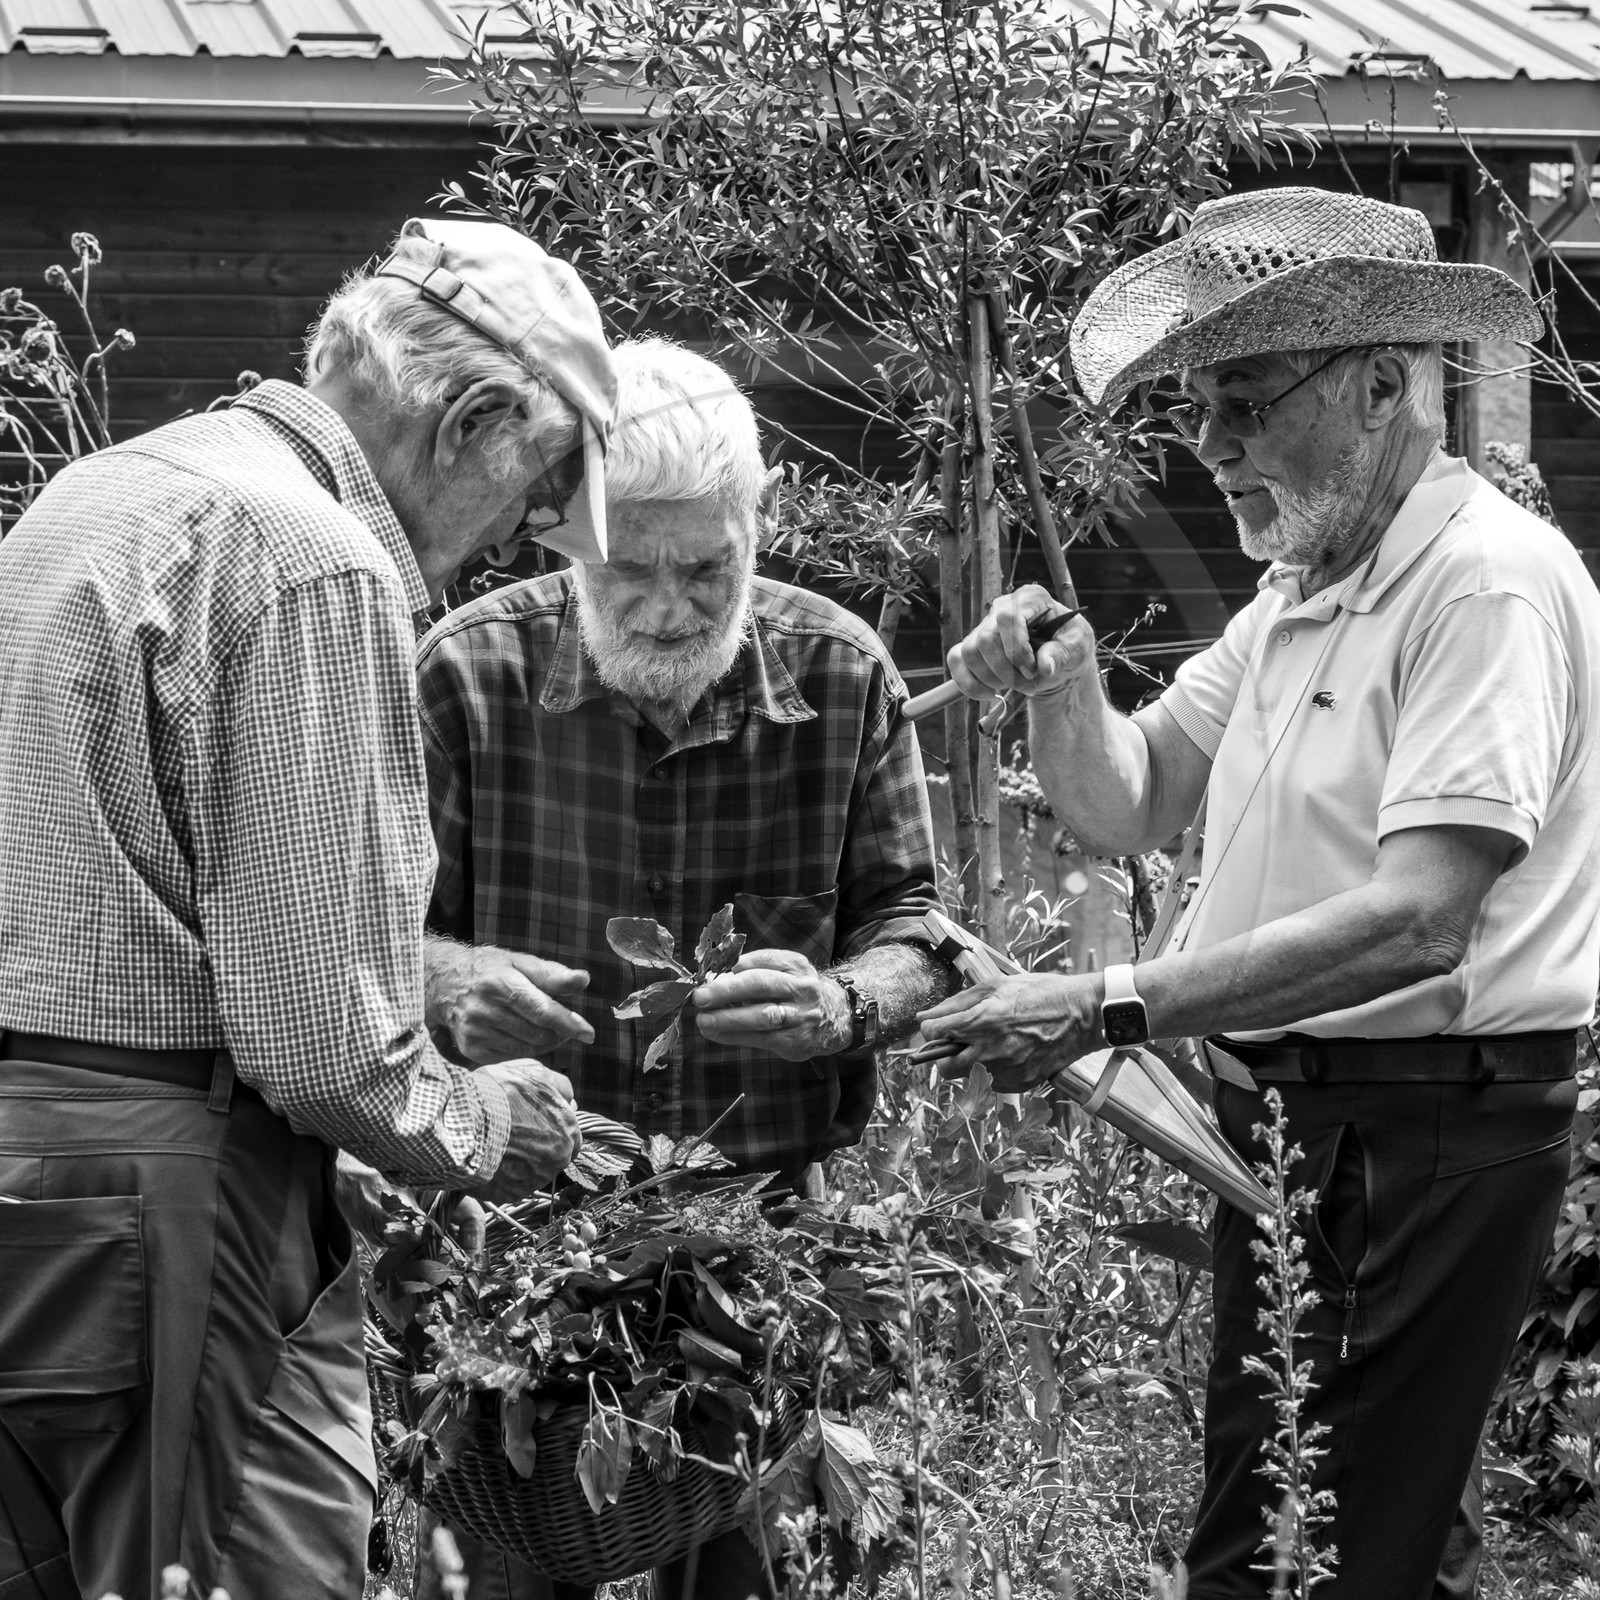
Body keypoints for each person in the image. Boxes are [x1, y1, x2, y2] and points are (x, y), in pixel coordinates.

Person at [923, 187, 1600, 1600]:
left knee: (1285, 1555)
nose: (1212, 445)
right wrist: (1063, 680)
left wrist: (1105, 1002)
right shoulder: (1301, 590)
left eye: (1245, 399)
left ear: (1380, 386)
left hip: (1420, 1133)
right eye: (1196, 408)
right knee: (1366, 1532)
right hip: (1313, 1128)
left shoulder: (1479, 586)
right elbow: (1133, 796)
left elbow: (1424, 917)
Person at [0, 217, 614, 1600]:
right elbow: (322, 1046)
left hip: (28, 1163)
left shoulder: (100, 493)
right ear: (471, 421)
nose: (518, 538)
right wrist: (487, 1123)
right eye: (539, 491)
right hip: (179, 1186)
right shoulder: (314, 558)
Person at [411, 337, 957, 1600]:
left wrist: (841, 1004)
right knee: (507, 1578)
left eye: (706, 568)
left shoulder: (840, 675)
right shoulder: (466, 675)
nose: (665, 608)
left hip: (753, 1242)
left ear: (755, 527)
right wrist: (447, 981)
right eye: (628, 569)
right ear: (567, 539)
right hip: (515, 1236)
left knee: (744, 1575)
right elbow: (365, 935)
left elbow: (916, 927)